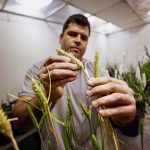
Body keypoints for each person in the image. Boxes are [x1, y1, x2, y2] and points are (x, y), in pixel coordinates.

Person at [12, 14, 138, 149]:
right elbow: (19, 123)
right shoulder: (39, 69)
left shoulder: (98, 72)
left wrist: (126, 117)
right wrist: (47, 95)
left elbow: (113, 114)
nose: (78, 40)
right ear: (61, 38)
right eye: (72, 34)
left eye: (84, 37)